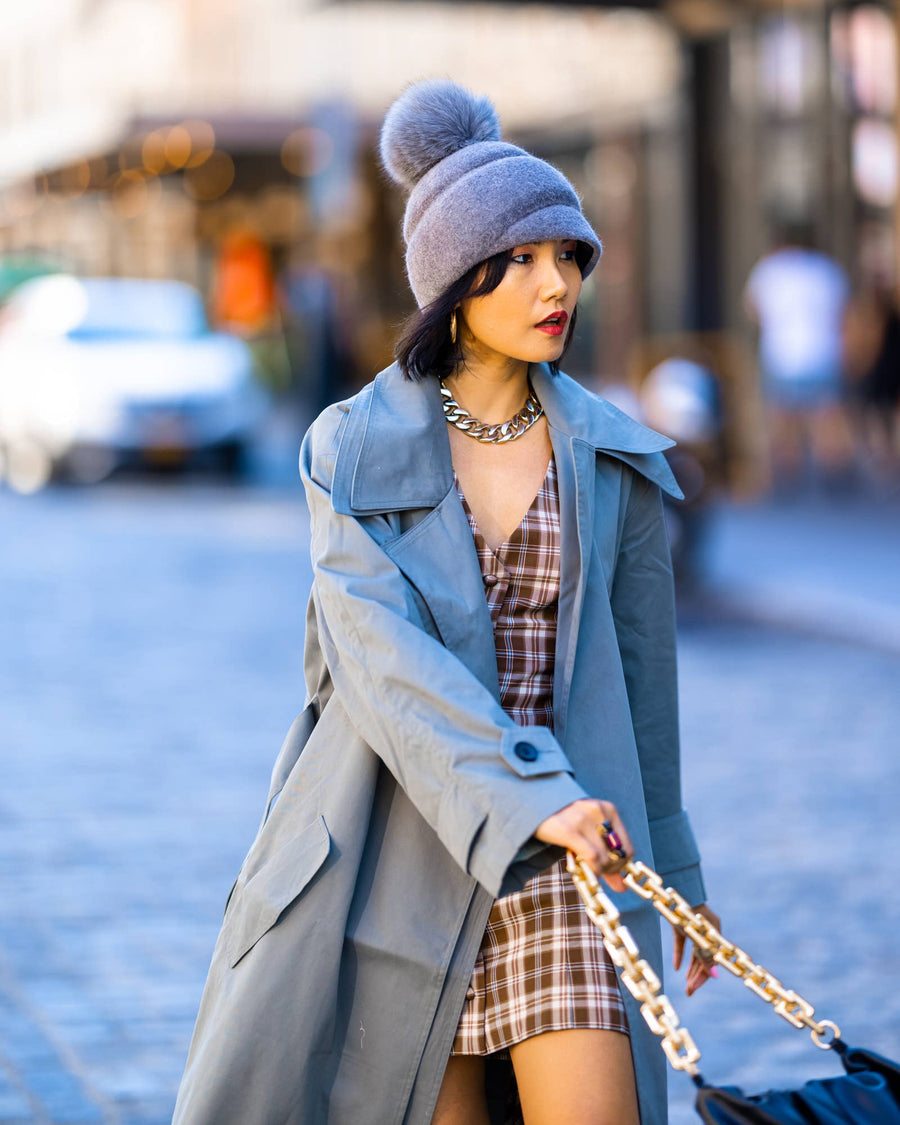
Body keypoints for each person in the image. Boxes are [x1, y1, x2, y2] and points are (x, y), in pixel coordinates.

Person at [172, 79, 717, 1125]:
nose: (556, 284)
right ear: (455, 281)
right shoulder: (352, 447)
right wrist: (527, 798)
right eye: (521, 261)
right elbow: (382, 661)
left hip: (567, 852)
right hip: (403, 854)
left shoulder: (613, 457)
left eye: (569, 257)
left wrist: (678, 871)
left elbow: (648, 695)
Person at [744, 227, 852, 488]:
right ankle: (835, 472)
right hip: (822, 352)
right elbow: (843, 312)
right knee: (825, 415)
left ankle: (786, 477)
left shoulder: (770, 268)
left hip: (781, 353)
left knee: (782, 416)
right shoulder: (827, 269)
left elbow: (752, 308)